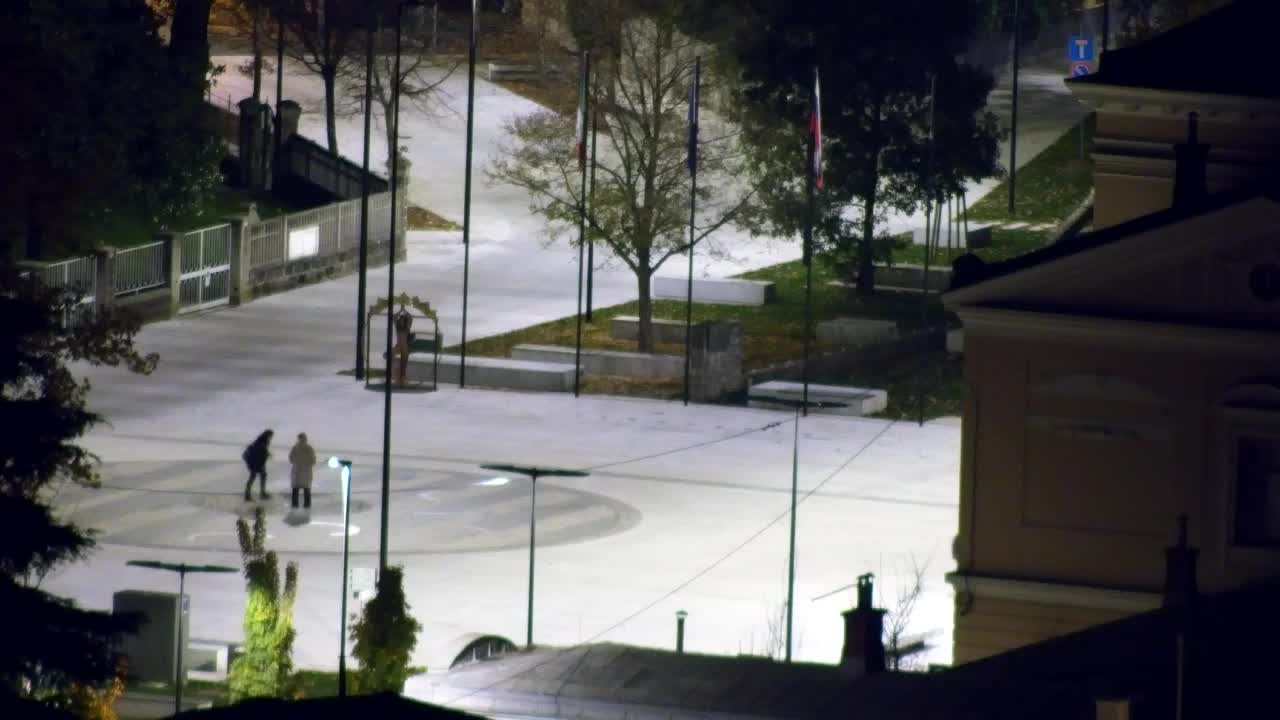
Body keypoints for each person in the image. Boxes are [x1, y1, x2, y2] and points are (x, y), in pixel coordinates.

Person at [242, 429, 274, 501]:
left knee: (256, 477)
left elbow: (263, 452)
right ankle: (259, 494)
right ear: (267, 435)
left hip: (255, 463)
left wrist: (267, 454)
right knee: (256, 477)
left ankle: (250, 495)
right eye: (271, 436)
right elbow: (262, 452)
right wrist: (267, 455)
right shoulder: (263, 442)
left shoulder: (259, 441)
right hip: (257, 463)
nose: (271, 438)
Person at [288, 432, 317, 510]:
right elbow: (313, 461)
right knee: (306, 489)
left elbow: (291, 458)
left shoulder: (296, 447)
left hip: (298, 471)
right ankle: (307, 505)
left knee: (296, 489)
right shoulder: (309, 448)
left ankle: (295, 505)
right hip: (305, 472)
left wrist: (298, 462)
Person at [394, 307, 414, 387]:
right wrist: (400, 311)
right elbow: (395, 317)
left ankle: (403, 378)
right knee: (396, 361)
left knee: (404, 363)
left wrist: (405, 311)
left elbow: (410, 318)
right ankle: (398, 378)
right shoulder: (397, 327)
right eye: (400, 320)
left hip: (405, 346)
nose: (401, 322)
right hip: (398, 346)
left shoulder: (407, 327)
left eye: (403, 320)